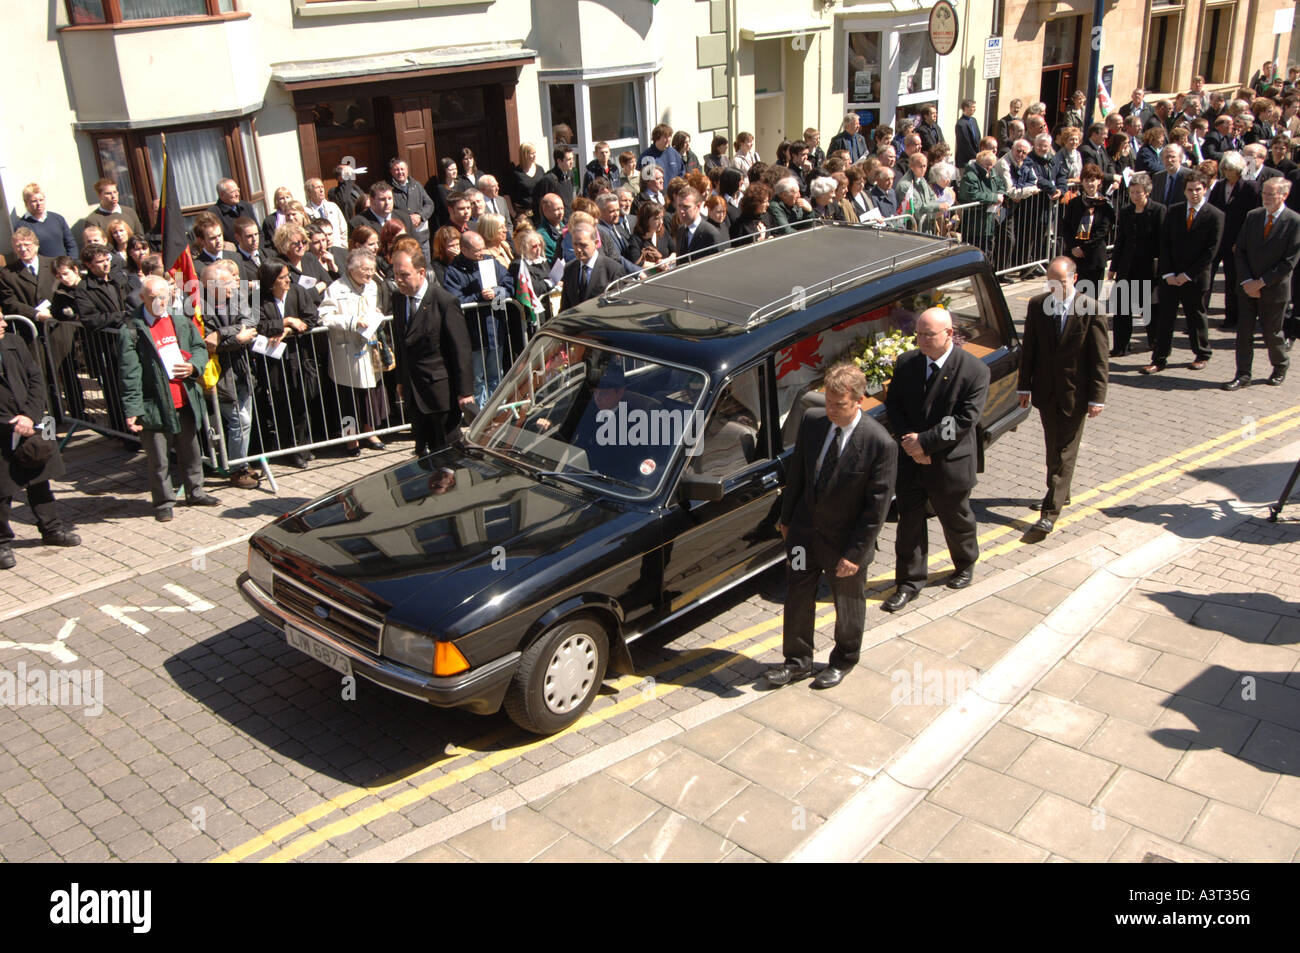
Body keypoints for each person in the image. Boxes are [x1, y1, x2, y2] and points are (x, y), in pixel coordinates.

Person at [765, 363, 896, 689]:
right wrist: (786, 519)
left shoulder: (880, 444)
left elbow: (875, 509)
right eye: (828, 402)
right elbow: (798, 475)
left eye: (840, 405)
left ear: (860, 400)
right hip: (803, 535)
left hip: (845, 543)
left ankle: (844, 659)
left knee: (847, 603)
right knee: (797, 594)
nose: (832, 411)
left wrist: (855, 554)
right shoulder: (812, 422)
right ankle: (797, 661)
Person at [882, 307, 990, 611]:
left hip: (948, 461)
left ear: (949, 334)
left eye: (929, 335)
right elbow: (895, 407)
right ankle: (909, 582)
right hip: (910, 459)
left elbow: (964, 420)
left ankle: (965, 563)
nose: (922, 341)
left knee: (955, 518)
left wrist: (925, 445)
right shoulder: (906, 363)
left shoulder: (973, 370)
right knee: (909, 525)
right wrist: (910, 443)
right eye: (918, 334)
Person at [1017, 257, 1107, 536]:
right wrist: (1024, 387)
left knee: (1065, 452)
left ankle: (1050, 511)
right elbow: (1029, 348)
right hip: (1046, 391)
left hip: (1076, 394)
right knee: (1052, 445)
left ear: (1075, 279)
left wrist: (1097, 397)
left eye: (1061, 282)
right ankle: (1059, 491)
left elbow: (1099, 358)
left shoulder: (1091, 309)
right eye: (1051, 282)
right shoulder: (1037, 305)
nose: (1055, 287)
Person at [119, 275, 219, 520]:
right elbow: (129, 373)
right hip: (154, 403)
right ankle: (163, 501)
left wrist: (193, 366)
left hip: (184, 398)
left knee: (191, 450)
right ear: (142, 298)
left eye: (164, 297)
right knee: (159, 457)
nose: (159, 302)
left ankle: (195, 491)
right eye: (153, 298)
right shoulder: (132, 329)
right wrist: (132, 409)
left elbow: (198, 348)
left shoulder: (179, 321)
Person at [0, 315, 80, 569]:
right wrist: (10, 421)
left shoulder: (15, 342)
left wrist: (29, 416)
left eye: (3, 318)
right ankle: (2, 543)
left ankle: (52, 529)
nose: (4, 323)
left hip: (31, 423)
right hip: (4, 428)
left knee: (40, 477)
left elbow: (36, 379)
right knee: (2, 491)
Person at [389, 246, 474, 455]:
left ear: (421, 272)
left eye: (404, 275)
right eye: (396, 275)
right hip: (414, 392)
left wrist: (465, 392)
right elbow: (401, 343)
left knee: (447, 453)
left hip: (439, 394)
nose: (399, 280)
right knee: (422, 453)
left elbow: (460, 349)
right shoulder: (399, 299)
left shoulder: (444, 301)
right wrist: (401, 379)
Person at [1143, 169, 1224, 373]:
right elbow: (1165, 244)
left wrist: (1187, 275)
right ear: (1184, 191)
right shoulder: (1175, 211)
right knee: (1165, 318)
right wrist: (1168, 273)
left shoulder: (1215, 215)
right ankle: (1159, 358)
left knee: (1195, 317)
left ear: (1205, 190)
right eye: (1190, 190)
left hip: (1194, 277)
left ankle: (1202, 353)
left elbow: (1210, 251)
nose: (1194, 193)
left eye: (1198, 189)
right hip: (1171, 277)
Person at [1224, 177, 1300, 389]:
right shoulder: (1253, 216)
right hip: (1248, 287)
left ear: (1283, 195)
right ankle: (1243, 374)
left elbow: (1289, 262)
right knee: (1244, 333)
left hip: (1274, 289)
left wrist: (1262, 283)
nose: (1265, 198)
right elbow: (1240, 250)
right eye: (1264, 193)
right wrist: (1248, 281)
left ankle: (1280, 365)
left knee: (1271, 333)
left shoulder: (1294, 221)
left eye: (1270, 194)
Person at [317, 249, 391, 455]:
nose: (370, 274)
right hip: (346, 351)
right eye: (365, 270)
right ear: (352, 269)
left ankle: (369, 432)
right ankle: (351, 439)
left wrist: (375, 315)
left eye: (372, 269)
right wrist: (351, 321)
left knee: (369, 395)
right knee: (348, 399)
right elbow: (324, 317)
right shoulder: (336, 288)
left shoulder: (373, 286)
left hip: (367, 349)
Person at [200, 260, 261, 489]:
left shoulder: (236, 298)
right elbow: (207, 342)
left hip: (242, 369)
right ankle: (236, 469)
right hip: (220, 375)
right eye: (226, 284)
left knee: (246, 420)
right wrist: (235, 338)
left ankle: (242, 463)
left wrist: (223, 334)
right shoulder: (198, 307)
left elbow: (251, 323)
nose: (232, 288)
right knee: (239, 420)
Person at [253, 259, 318, 469]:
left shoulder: (298, 292)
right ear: (271, 282)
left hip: (299, 358)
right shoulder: (259, 299)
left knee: (302, 402)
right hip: (274, 362)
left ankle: (304, 446)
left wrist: (289, 330)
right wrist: (287, 321)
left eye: (287, 275)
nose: (287, 280)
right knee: (283, 405)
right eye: (282, 277)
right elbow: (258, 325)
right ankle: (289, 448)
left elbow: (311, 318)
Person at [442, 230, 513, 404]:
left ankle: (498, 410)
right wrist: (479, 297)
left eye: (483, 249)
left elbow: (509, 283)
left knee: (496, 374)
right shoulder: (453, 271)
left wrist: (497, 292)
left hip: (494, 329)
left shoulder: (490, 262)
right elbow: (455, 301)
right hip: (473, 334)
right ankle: (482, 414)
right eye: (477, 250)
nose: (482, 253)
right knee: (478, 378)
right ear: (463, 249)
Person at [1108, 172, 1165, 357]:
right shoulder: (1126, 211)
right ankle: (1121, 346)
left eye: (1138, 192)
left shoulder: (1158, 210)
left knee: (1150, 307)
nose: (1134, 196)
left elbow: (1163, 242)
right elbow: (1120, 241)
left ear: (1147, 192)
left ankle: (1156, 342)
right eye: (1132, 192)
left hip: (1149, 267)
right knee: (1122, 308)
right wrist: (1114, 267)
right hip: (1127, 266)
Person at [1209, 151, 1261, 331]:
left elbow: (1252, 217)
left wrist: (1241, 242)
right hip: (1218, 240)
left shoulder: (1250, 188)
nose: (1227, 172)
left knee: (1232, 281)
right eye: (1224, 169)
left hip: (1236, 242)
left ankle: (1232, 317)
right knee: (1207, 276)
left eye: (1230, 169)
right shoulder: (1219, 187)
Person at [1058, 164, 1114, 289]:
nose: (1090, 184)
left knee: (1090, 301)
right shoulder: (1074, 203)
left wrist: (1083, 248)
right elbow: (1066, 226)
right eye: (1087, 180)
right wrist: (1073, 247)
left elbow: (1102, 231)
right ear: (1082, 182)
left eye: (1093, 180)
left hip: (1094, 258)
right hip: (1074, 257)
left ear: (1099, 181)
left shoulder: (1105, 205)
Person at [561, 222, 629, 311]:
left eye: (583, 245)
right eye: (575, 244)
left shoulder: (613, 270)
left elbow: (620, 308)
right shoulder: (569, 268)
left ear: (596, 243)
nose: (578, 249)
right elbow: (565, 307)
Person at [0, 228, 57, 324]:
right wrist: (36, 314)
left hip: (58, 322)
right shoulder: (7, 273)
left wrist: (51, 310)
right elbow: (9, 302)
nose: (23, 249)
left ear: (36, 246)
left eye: (27, 244)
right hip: (30, 327)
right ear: (14, 249)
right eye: (18, 246)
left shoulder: (54, 264)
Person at [12, 183, 77, 258]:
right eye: (34, 201)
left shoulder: (57, 218)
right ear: (26, 203)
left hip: (65, 266)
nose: (39, 203)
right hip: (44, 268)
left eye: (41, 200)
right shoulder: (22, 226)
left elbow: (71, 243)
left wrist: (72, 261)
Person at [83, 178, 144, 243]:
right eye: (108, 193)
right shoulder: (93, 220)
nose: (113, 196)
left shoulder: (129, 212)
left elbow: (140, 236)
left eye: (115, 192)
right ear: (100, 195)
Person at [674, 186, 726, 256]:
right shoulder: (681, 231)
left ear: (698, 206)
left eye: (686, 207)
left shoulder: (711, 234)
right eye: (679, 206)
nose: (681, 211)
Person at [532, 144, 577, 214]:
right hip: (556, 221)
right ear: (559, 161)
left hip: (570, 220)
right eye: (568, 159)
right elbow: (542, 205)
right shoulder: (549, 179)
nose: (572, 162)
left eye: (572, 158)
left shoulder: (570, 175)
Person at [955, 99, 981, 166]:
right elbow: (965, 143)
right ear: (966, 108)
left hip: (976, 157)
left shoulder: (973, 120)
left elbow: (978, 138)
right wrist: (975, 156)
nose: (974, 109)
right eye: (972, 107)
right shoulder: (960, 124)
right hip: (965, 160)